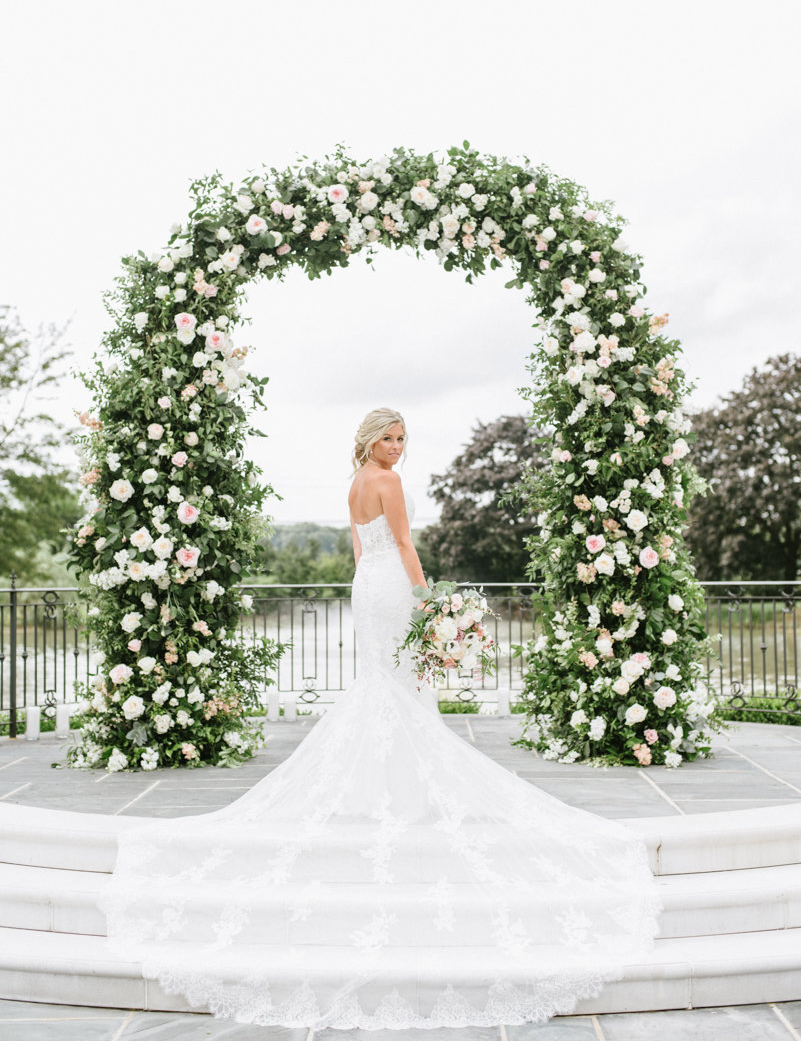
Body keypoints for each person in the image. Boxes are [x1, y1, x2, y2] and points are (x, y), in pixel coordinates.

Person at [102, 407, 662, 1031]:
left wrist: (390, 589)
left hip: (365, 588)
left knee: (383, 685)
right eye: (389, 438)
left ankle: (384, 786)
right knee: (399, 687)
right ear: (370, 440)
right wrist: (431, 608)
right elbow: (402, 543)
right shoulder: (387, 482)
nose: (397, 448)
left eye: (402, 439)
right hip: (393, 585)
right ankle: (404, 789)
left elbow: (357, 545)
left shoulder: (352, 483)